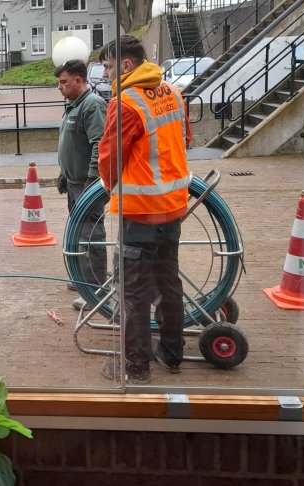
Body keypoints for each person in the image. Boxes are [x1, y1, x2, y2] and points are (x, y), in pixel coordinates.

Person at [97, 35, 192, 385]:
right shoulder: (173, 93)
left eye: (108, 67)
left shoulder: (126, 103)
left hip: (140, 212)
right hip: (173, 206)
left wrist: (110, 187)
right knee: (169, 282)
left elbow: (108, 159)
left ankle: (136, 367)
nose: (105, 75)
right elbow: (184, 141)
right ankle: (172, 352)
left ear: (126, 65)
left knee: (133, 292)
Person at [54, 58, 108, 310]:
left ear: (78, 80)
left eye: (64, 82)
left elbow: (100, 143)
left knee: (91, 235)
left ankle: (96, 289)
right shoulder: (73, 104)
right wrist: (65, 174)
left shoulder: (92, 105)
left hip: (88, 185)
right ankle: (83, 279)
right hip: (75, 182)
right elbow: (72, 144)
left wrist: (92, 179)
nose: (60, 87)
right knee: (79, 233)